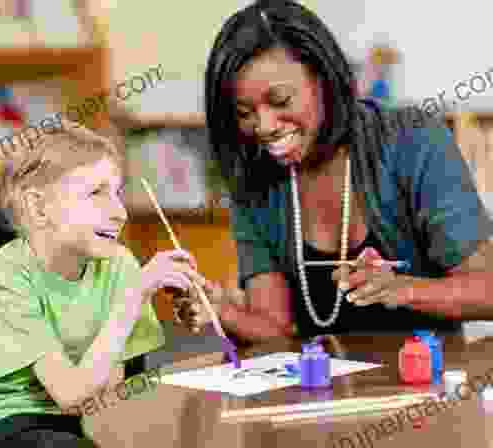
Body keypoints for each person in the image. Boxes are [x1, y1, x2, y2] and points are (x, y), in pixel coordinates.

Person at [197, 0, 493, 340]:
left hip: (426, 382)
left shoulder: (412, 140)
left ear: (324, 79)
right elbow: (276, 327)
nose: (263, 126)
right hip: (317, 390)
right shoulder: (253, 176)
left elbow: (487, 291)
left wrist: (401, 289)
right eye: (245, 112)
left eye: (280, 101)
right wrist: (220, 310)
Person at [0, 120, 213, 448]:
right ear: (38, 207)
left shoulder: (119, 265)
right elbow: (70, 396)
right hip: (7, 419)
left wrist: (192, 312)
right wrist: (132, 298)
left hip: (87, 414)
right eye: (96, 193)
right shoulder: (4, 279)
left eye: (116, 193)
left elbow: (107, 394)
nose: (120, 213)